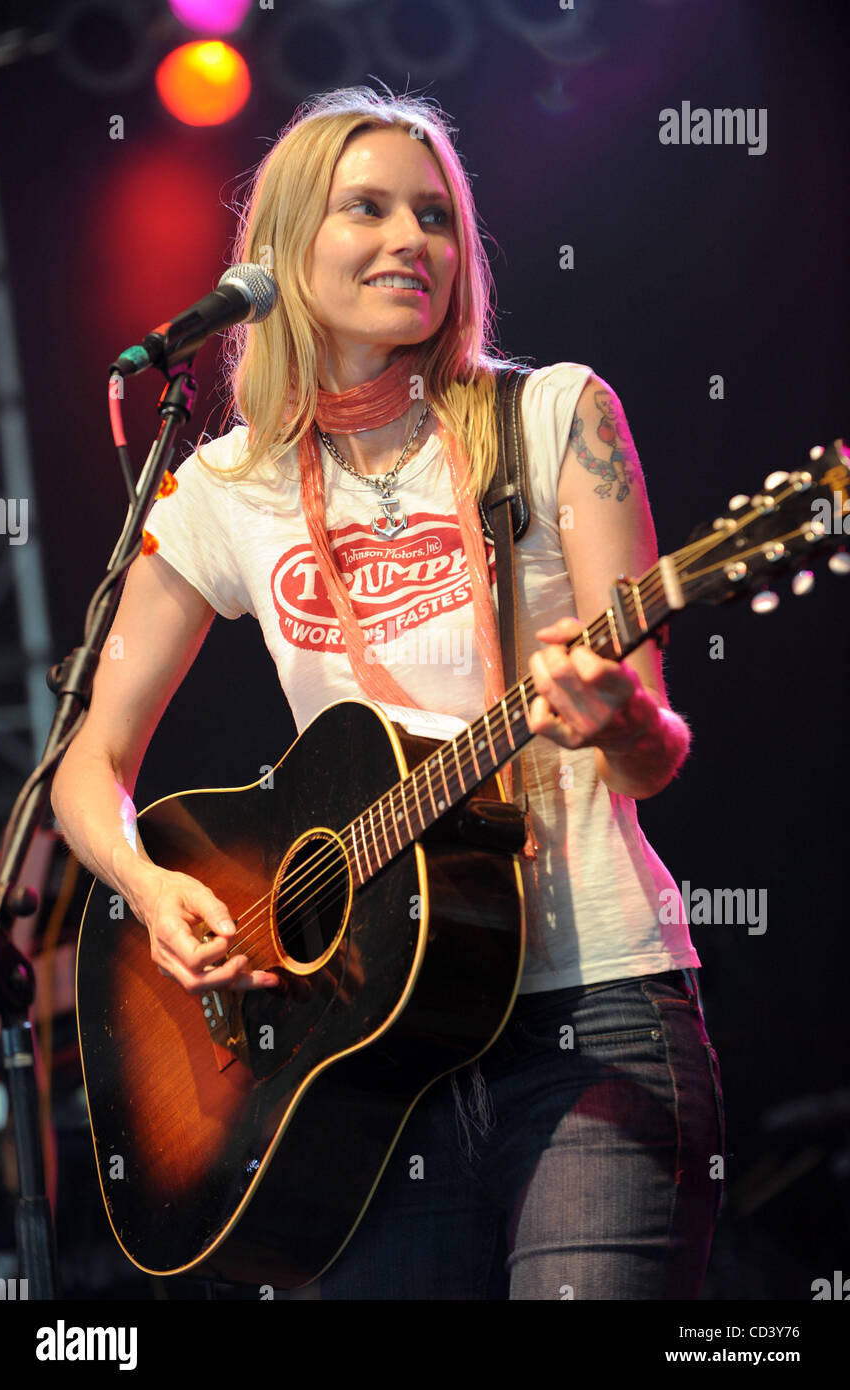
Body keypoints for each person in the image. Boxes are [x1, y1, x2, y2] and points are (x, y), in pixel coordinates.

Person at [51, 84, 724, 1300]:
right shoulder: (218, 488)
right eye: (368, 209)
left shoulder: (554, 415)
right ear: (280, 250)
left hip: (592, 1003)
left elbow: (654, 746)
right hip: (360, 1058)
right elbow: (87, 767)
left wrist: (620, 716)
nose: (413, 240)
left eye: (437, 217)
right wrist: (150, 888)